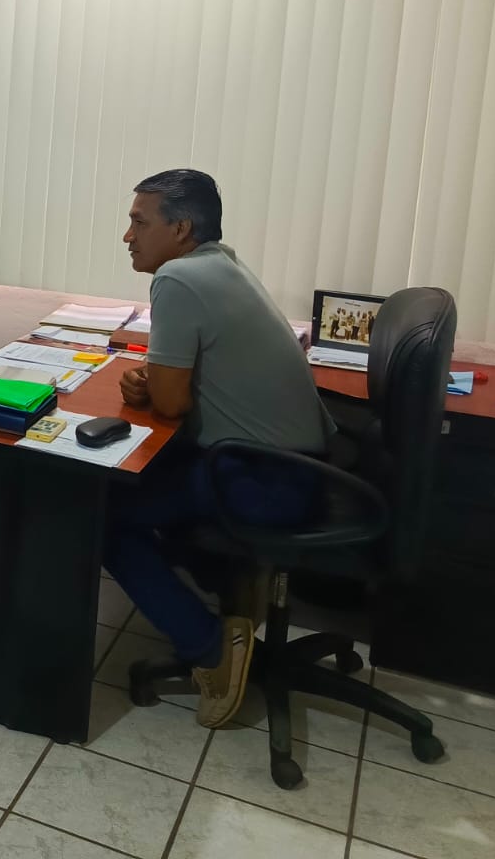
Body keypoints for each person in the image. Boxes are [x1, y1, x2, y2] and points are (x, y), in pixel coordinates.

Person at [112, 169, 333, 728]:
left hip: (265, 481)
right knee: (147, 480)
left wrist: (154, 388)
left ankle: (210, 647)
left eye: (140, 222)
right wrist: (153, 383)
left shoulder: (178, 279)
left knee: (102, 514)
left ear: (181, 229)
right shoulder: (220, 264)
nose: (128, 236)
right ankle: (232, 593)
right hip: (303, 466)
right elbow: (179, 384)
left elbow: (171, 405)